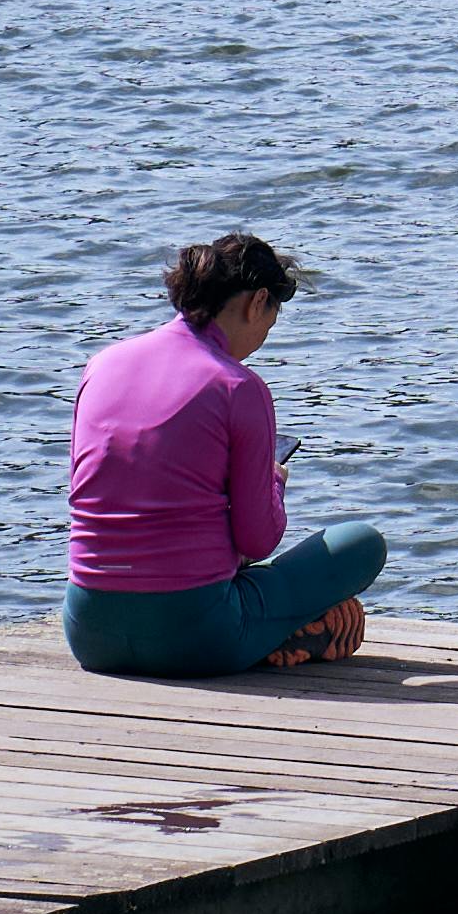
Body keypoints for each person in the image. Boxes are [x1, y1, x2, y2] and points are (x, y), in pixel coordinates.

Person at [62, 231, 386, 677]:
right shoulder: (238, 387)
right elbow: (258, 540)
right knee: (360, 545)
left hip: (89, 632)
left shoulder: (102, 365)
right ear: (257, 303)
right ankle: (277, 632)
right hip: (196, 638)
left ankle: (267, 624)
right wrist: (274, 481)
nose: (261, 341)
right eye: (269, 324)